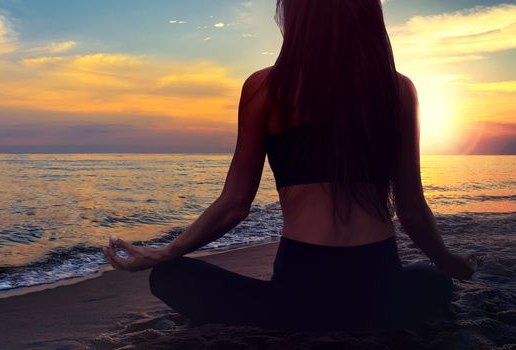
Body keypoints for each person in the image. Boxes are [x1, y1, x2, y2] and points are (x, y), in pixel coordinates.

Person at [102, 0, 476, 332]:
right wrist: (445, 259)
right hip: (376, 293)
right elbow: (411, 209)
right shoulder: (398, 90)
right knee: (433, 280)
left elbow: (234, 205)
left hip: (299, 296)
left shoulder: (266, 88)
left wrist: (167, 251)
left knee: (170, 275)